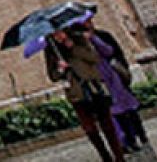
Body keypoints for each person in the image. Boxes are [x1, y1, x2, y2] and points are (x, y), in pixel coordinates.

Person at [44, 26, 126, 162]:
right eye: (54, 34)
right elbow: (53, 76)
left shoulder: (79, 39)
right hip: (76, 93)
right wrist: (60, 69)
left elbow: (94, 58)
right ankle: (105, 156)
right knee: (90, 129)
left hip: (93, 87)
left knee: (107, 125)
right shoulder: (51, 50)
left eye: (59, 32)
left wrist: (73, 48)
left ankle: (119, 157)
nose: (58, 36)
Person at [81, 17, 146, 151]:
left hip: (112, 77)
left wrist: (93, 39)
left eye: (88, 21)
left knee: (126, 110)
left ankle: (135, 137)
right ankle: (122, 142)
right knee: (112, 114)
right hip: (98, 81)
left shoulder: (101, 36)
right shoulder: (78, 45)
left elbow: (110, 51)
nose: (88, 24)